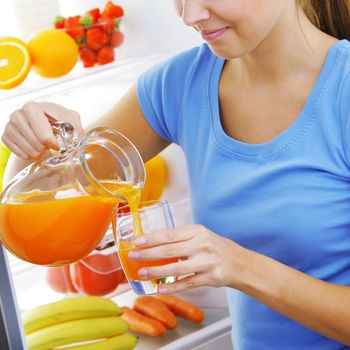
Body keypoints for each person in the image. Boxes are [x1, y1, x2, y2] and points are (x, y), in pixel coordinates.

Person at [3, 0, 350, 348]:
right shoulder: (179, 85)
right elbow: (40, 213)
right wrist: (36, 142)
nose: (190, 16)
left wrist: (241, 267)